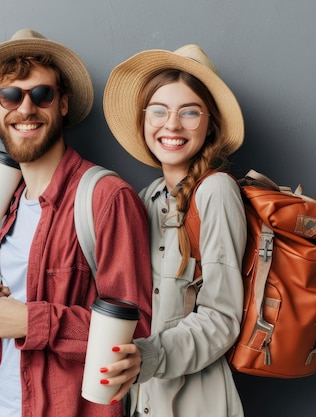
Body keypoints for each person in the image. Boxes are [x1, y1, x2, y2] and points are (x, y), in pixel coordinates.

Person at [0, 29, 152, 417]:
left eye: (41, 95)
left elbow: (136, 332)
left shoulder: (106, 197)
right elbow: (19, 302)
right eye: (10, 95)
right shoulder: (12, 203)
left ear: (62, 104)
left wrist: (33, 321)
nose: (25, 109)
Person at [100, 44, 248, 416]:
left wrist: (147, 356)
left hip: (198, 403)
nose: (172, 125)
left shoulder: (216, 191)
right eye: (159, 111)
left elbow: (222, 317)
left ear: (210, 124)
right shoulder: (146, 198)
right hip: (145, 402)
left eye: (189, 112)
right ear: (144, 119)